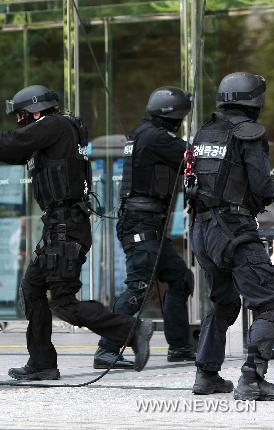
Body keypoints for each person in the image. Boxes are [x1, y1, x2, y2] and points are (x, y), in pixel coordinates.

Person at [0, 84, 153, 380]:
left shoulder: (53, 125)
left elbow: (14, 142)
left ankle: (131, 330)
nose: (19, 121)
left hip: (66, 227)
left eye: (21, 115)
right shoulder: (55, 131)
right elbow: (16, 150)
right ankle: (42, 362)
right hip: (59, 226)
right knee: (32, 289)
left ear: (36, 110)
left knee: (64, 302)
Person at [187, 72, 274, 400]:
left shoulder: (204, 132)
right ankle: (252, 379)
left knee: (223, 300)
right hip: (235, 232)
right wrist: (272, 189)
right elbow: (260, 186)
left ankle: (207, 375)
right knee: (270, 304)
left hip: (202, 232)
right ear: (254, 101)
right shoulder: (250, 133)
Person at [94, 87, 195, 369]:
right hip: (141, 223)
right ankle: (107, 349)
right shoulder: (154, 137)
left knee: (180, 279)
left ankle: (179, 347)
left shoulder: (145, 133)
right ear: (174, 116)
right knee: (138, 287)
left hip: (147, 223)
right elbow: (192, 156)